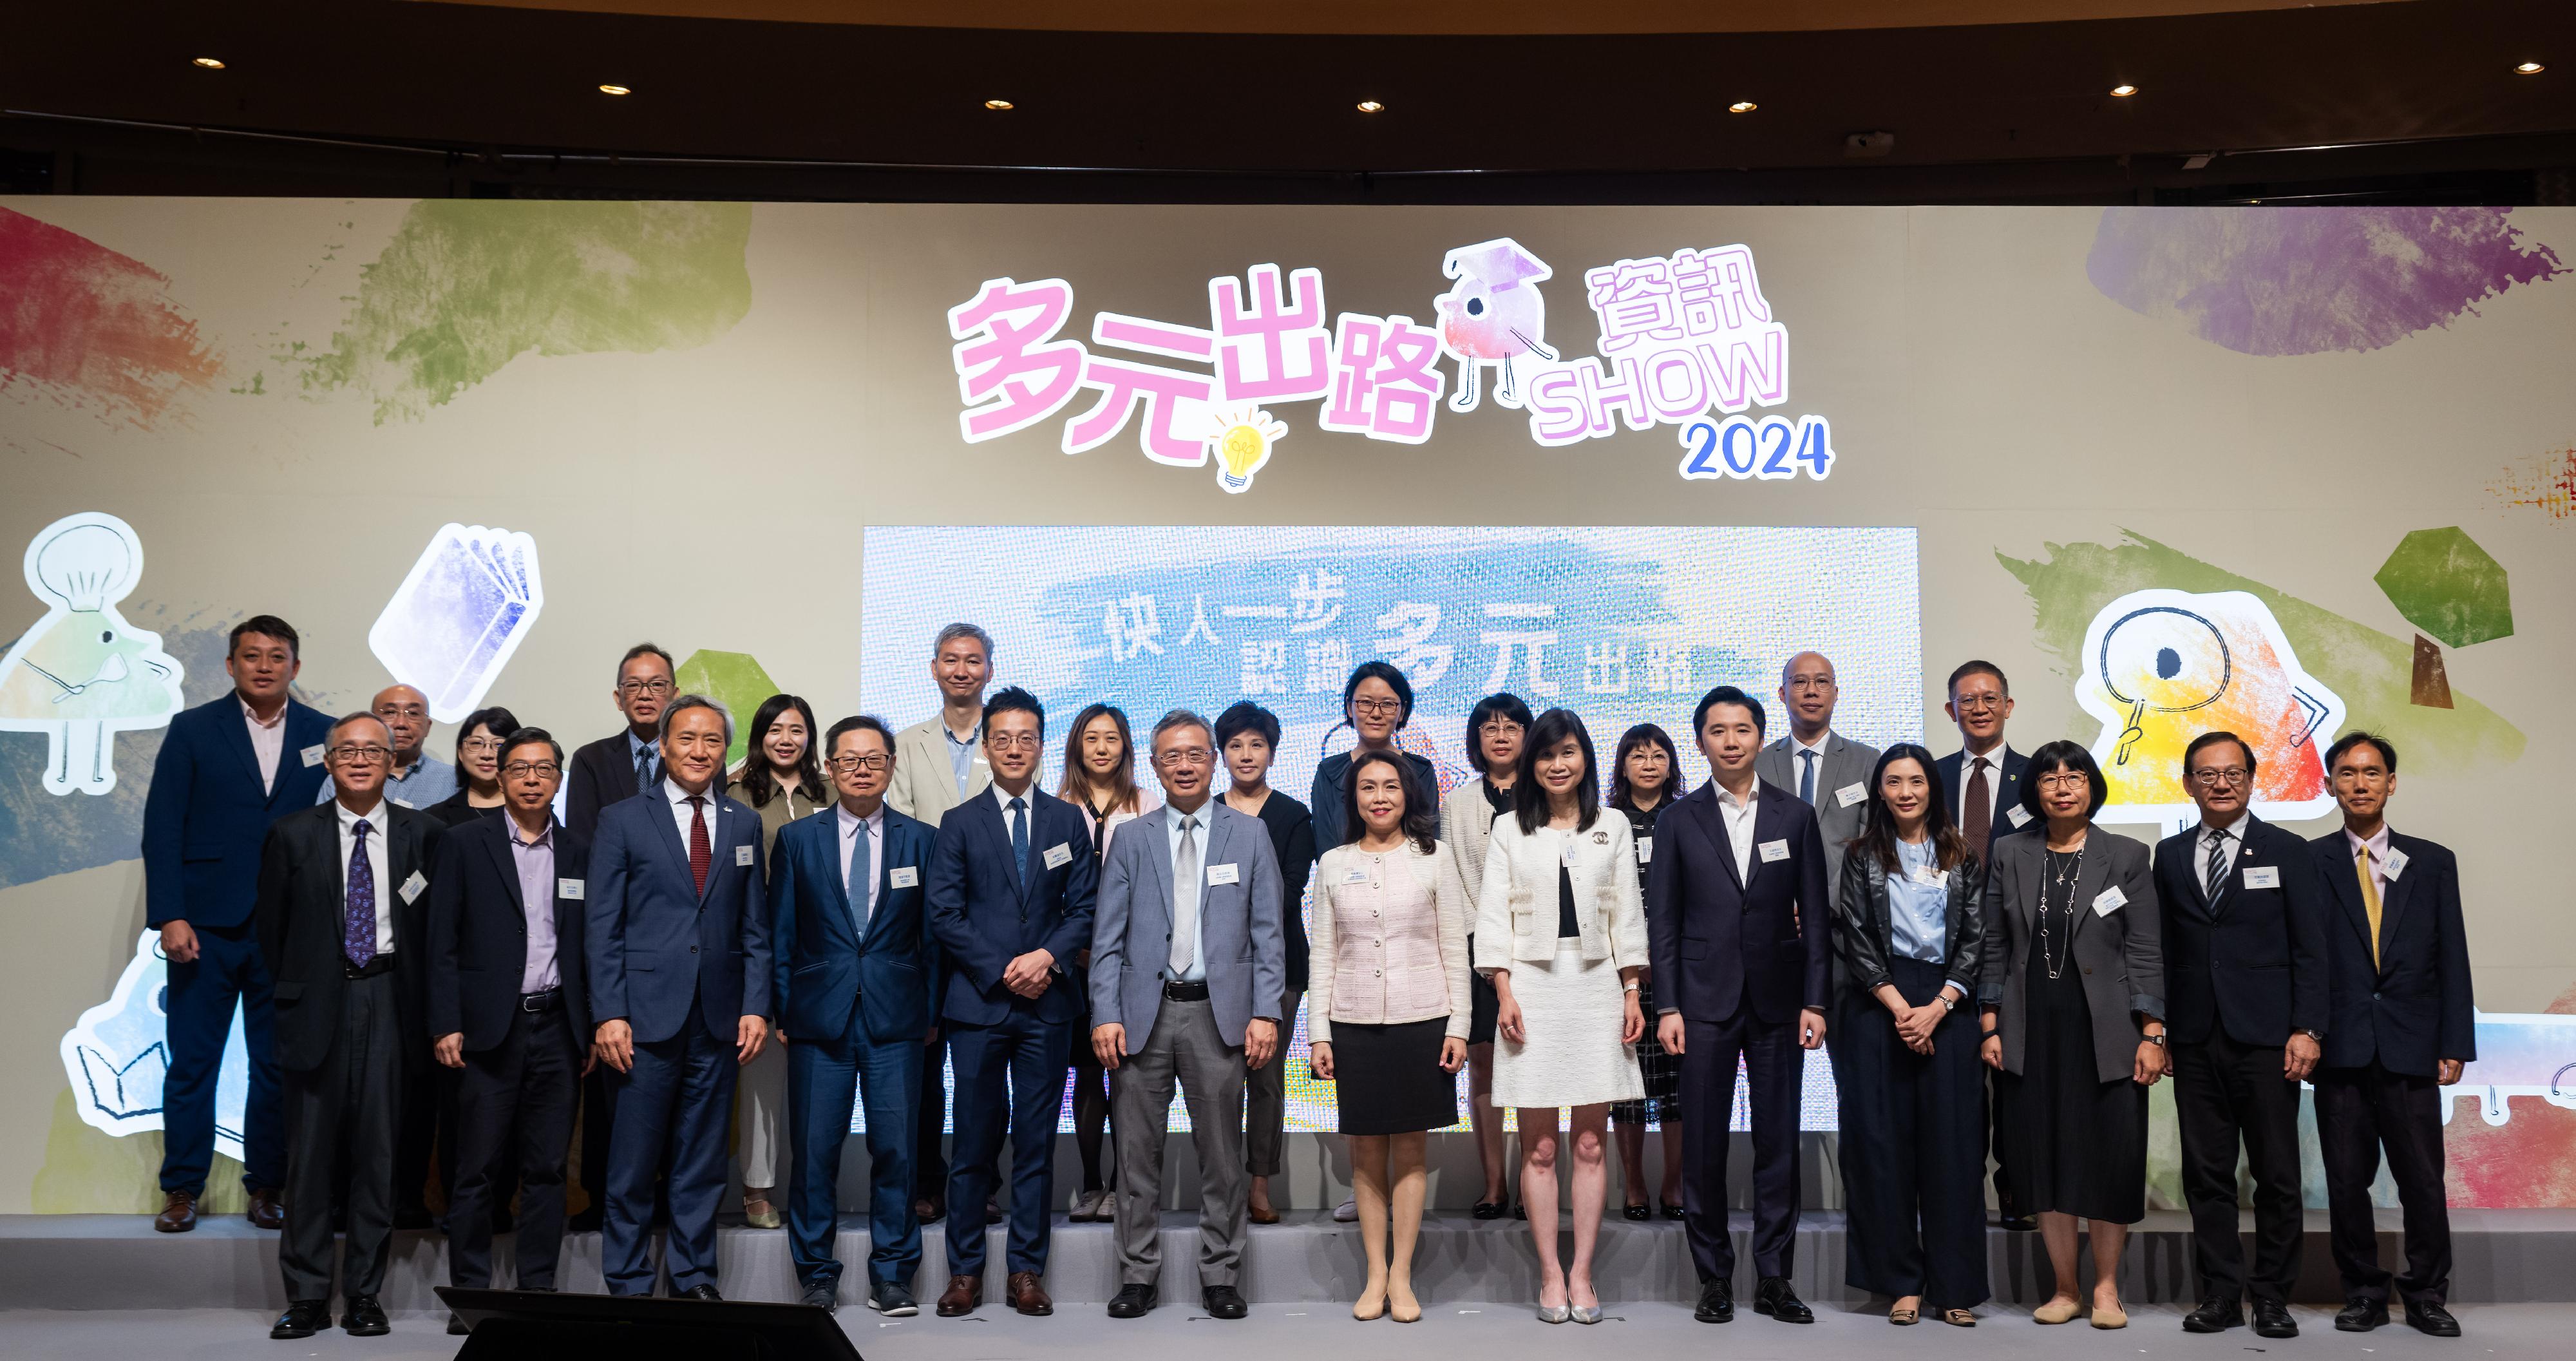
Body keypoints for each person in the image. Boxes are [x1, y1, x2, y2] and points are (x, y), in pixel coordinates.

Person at [256, 712, 446, 1339]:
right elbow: (273, 934)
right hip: (318, 1005)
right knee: (308, 1161)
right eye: (347, 750)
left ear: (395, 762)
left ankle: (364, 1293)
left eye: (373, 750)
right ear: (329, 761)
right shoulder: (290, 834)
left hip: (391, 1001)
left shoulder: (426, 834)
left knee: (378, 1156)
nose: (360, 759)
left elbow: (437, 933)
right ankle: (307, 1296)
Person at [1091, 711, 1285, 1322]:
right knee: (1137, 1158)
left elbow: (1269, 934)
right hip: (1141, 1016)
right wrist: (1103, 1011)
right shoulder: (1132, 837)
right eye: (1171, 755)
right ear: (1153, 764)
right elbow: (1108, 938)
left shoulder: (1249, 834)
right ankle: (1137, 1275)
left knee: (1224, 1160)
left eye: (1196, 754)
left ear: (1214, 761)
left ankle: (1221, 1274)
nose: (1184, 764)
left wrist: (1265, 1011)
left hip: (1217, 1015)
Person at [1645, 685, 1830, 1327]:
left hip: (1779, 1000)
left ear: (1759, 735)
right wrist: (1666, 1005)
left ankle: (1775, 1276)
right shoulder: (1677, 819)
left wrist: (1815, 999)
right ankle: (1714, 1275)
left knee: (1778, 1140)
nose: (1731, 740)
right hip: (1700, 1001)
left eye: (1742, 729)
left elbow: (1817, 919)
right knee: (1703, 1144)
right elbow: (1662, 923)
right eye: (1717, 730)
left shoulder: (1795, 816)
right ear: (1699, 740)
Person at [140, 614, 331, 1234]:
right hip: (205, 927)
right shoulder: (193, 729)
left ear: (296, 668)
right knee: (194, 1060)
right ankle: (181, 1188)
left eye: (278, 656)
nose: (265, 665)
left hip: (291, 928)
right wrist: (170, 913)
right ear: (230, 665)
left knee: (276, 1065)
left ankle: (267, 1185)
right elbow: (163, 826)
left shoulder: (324, 734)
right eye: (252, 655)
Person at [586, 694, 773, 1299]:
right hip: (642, 1018)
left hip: (718, 1018)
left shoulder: (742, 822)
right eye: (687, 739)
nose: (700, 751)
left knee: (701, 1161)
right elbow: (602, 925)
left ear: (727, 751)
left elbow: (755, 926)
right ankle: (630, 1280)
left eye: (713, 741)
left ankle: (693, 1277)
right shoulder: (621, 818)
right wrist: (609, 1012)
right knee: (634, 1163)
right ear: (663, 746)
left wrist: (755, 1004)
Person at [1978, 741, 2165, 1329]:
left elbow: (2144, 946)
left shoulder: (2128, 855)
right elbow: (1993, 943)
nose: (2062, 786)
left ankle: (2107, 1288)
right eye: (2050, 777)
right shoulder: (2009, 851)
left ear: (2092, 786)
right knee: (2045, 1158)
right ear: (2033, 789)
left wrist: (2152, 1030)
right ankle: (2065, 1288)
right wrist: (1989, 1022)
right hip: (2031, 1027)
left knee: (2109, 1157)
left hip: (2108, 1029)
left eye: (2075, 776)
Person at [923, 686, 1097, 1318]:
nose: (1015, 748)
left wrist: (1045, 958)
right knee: (970, 1145)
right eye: (1003, 738)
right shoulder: (959, 822)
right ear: (987, 746)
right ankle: (964, 1272)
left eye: (1027, 738)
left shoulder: (1064, 820)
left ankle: (1026, 1270)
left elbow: (1083, 907)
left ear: (1042, 745)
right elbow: (943, 912)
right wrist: (1003, 969)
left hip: (1048, 1007)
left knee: (1034, 1145)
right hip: (978, 1006)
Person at [2155, 730, 2330, 1340]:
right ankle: (2221, 1293)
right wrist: (2162, 1029)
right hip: (2196, 1038)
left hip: (2267, 1040)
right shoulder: (2171, 855)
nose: (2221, 783)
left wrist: (2308, 1029)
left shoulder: (2288, 849)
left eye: (2233, 773)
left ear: (2253, 780)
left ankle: (2273, 1296)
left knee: (2277, 1173)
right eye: (2208, 774)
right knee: (2207, 1175)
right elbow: (2167, 951)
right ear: (2188, 782)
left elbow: (2312, 949)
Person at [1478, 709, 1647, 1326]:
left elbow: (1628, 910)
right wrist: (1503, 990)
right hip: (1531, 984)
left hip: (1598, 983)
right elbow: (1493, 915)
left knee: (1590, 1142)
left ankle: (1584, 1273)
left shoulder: (1615, 823)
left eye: (1568, 752)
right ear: (1532, 764)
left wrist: (1632, 989)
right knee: (1542, 1146)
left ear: (1585, 759)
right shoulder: (1508, 829)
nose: (1557, 764)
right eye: (1547, 754)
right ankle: (1550, 1271)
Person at [770, 716, 940, 1317]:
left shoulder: (923, 840)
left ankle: (892, 1275)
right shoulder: (798, 840)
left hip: (898, 1022)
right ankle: (817, 1275)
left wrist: (931, 1010)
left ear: (892, 765)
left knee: (897, 1151)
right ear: (830, 767)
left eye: (874, 759)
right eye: (850, 759)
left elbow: (933, 939)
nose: (862, 769)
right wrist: (784, 1007)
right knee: (815, 1152)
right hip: (819, 1021)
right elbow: (782, 933)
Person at [2308, 732, 2472, 1338]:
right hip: (2341, 1046)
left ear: (2391, 783)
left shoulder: (2432, 860)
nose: (2359, 783)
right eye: (2346, 773)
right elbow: (2306, 957)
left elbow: (2452, 955)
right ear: (2329, 784)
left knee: (2423, 1179)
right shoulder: (2310, 860)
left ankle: (2427, 1292)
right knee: (2347, 1179)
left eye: (2371, 772)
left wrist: (2455, 1041)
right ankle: (2364, 1292)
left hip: (2412, 1045)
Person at [424, 728, 588, 1328]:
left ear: (558, 778)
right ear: (500, 773)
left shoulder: (578, 852)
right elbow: (439, 941)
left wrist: (589, 1028)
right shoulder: (465, 843)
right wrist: (445, 1022)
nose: (531, 779)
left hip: (557, 1030)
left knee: (546, 1169)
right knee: (475, 1171)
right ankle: (469, 1296)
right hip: (487, 1032)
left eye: (544, 769)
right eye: (520, 767)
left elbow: (586, 949)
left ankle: (536, 1291)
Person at [1830, 744, 1989, 1328]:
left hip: (1948, 1006)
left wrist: (1938, 1007)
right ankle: (1900, 1282)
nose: (1905, 792)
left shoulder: (1962, 853)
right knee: (1882, 1150)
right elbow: (1855, 937)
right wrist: (1902, 1008)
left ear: (1932, 787)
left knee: (1953, 1150)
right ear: (1879, 790)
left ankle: (1955, 1284)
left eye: (1915, 781)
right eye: (1893, 781)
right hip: (1881, 1004)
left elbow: (1975, 939)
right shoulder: (1861, 855)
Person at [1309, 748, 1470, 1322]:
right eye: (1368, 788)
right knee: (1365, 1149)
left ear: (1409, 795)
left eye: (1391, 787)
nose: (1380, 797)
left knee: (1410, 1148)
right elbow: (1323, 952)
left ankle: (1402, 1273)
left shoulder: (1436, 857)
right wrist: (1318, 1033)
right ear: (1353, 799)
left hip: (1422, 1019)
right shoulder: (1331, 862)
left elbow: (1454, 945)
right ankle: (1374, 1271)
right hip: (1352, 1022)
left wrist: (1459, 1025)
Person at [562, 641, 677, 1230]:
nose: (645, 695)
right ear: (617, 696)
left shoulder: (690, 754)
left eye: (657, 684)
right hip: (613, 927)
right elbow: (584, 846)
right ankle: (605, 1197)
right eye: (634, 685)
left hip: (674, 931)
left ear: (674, 693)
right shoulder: (592, 759)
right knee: (616, 1073)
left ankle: (661, 1197)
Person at [886, 622, 996, 1225]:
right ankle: (926, 1180)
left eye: (973, 661)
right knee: (924, 1070)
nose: (961, 670)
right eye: (950, 660)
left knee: (981, 1072)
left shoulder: (1008, 738)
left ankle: (980, 1182)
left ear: (988, 670)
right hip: (923, 928)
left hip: (993, 926)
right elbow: (902, 829)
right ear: (933, 669)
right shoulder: (905, 743)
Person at [1933, 659, 2031, 1229]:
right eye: (1966, 700)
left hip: (2019, 951)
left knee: (2015, 1080)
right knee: (1961, 1086)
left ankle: (2017, 1190)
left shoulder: (2036, 775)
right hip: (1945, 949)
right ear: (1951, 711)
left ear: (2008, 706)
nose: (1978, 707)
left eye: (1989, 697)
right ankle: (1962, 1195)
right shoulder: (1933, 776)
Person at [729, 693, 829, 1232]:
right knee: (763, 1079)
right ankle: (758, 1188)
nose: (786, 738)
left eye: (796, 728)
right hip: (762, 948)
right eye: (775, 729)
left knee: (819, 1080)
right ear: (760, 735)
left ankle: (816, 1186)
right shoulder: (737, 793)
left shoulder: (832, 792)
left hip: (826, 953)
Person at [1215, 701, 1315, 1224]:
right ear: (1222, 753)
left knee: (1267, 1078)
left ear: (1272, 753)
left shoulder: (1294, 815)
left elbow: (1288, 892)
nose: (1246, 754)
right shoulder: (1206, 813)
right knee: (1219, 1079)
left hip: (1280, 965)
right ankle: (1225, 1182)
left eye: (1256, 744)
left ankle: (1259, 1183)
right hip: (1216, 966)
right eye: (1235, 745)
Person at [1439, 691, 1528, 1219]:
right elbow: (1455, 879)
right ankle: (1495, 1183)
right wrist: (1485, 942)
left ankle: (1532, 1179)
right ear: (1476, 739)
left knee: (1537, 1066)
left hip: (1540, 950)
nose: (1500, 735)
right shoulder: (1458, 802)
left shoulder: (1546, 794)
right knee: (1484, 1069)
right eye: (1490, 727)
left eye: (1512, 726)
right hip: (1478, 949)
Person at [1056, 701, 1146, 1223]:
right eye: (1092, 738)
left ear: (1125, 746)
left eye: (1111, 738)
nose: (1102, 748)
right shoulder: (1057, 805)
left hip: (1132, 964)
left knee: (1128, 1079)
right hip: (1072, 964)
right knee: (1087, 1075)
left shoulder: (1146, 802)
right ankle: (1090, 1183)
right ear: (1077, 746)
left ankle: (1121, 1185)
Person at [1607, 723, 1685, 1221]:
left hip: (1679, 973)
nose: (1649, 763)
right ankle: (1634, 1185)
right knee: (1628, 1087)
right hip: (1621, 975)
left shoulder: (1688, 818)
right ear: (1623, 766)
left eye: (1659, 755)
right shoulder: (1606, 822)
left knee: (1677, 1087)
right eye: (1638, 755)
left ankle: (1674, 1186)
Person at [1756, 652, 1879, 895]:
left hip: (1845, 915)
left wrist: (1826, 903)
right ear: (1782, 694)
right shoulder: (1759, 764)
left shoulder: (1866, 761)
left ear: (1836, 693)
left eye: (1822, 682)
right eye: (1799, 682)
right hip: (1774, 913)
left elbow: (1871, 844)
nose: (1811, 691)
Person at [319, 683, 456, 812]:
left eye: (413, 713)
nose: (401, 723)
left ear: (428, 726)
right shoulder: (345, 776)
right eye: (390, 712)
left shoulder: (452, 780)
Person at [424, 707, 518, 828]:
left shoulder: (534, 812)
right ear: (460, 753)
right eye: (476, 743)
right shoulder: (434, 818)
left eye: (499, 745)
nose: (487, 754)